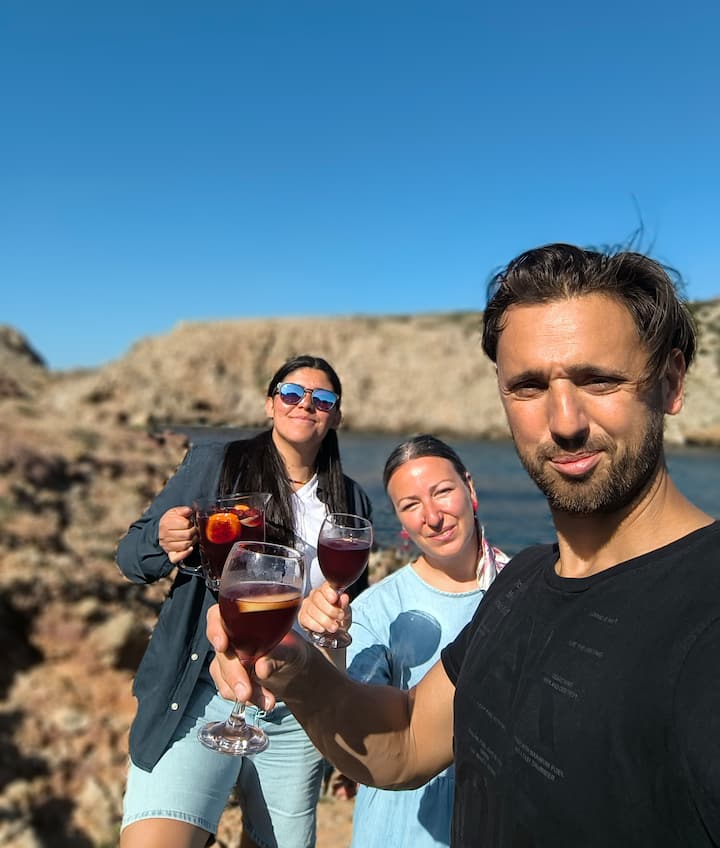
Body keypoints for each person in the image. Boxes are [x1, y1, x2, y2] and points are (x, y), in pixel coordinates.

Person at [208, 243, 720, 847]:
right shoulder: (521, 583)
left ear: (670, 382)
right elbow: (405, 743)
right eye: (528, 386)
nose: (564, 421)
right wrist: (295, 667)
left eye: (599, 379)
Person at [117, 354, 372, 848]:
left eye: (322, 399)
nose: (305, 405)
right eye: (291, 393)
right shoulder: (215, 464)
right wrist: (163, 541)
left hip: (296, 710)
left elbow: (351, 617)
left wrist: (345, 710)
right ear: (269, 404)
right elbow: (131, 559)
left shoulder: (351, 501)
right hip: (200, 696)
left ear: (336, 416)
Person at [301, 434, 508, 847]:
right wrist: (329, 643)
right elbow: (354, 720)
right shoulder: (380, 607)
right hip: (403, 828)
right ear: (400, 520)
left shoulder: (523, 587)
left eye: (442, 492)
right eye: (411, 505)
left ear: (469, 488)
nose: (432, 516)